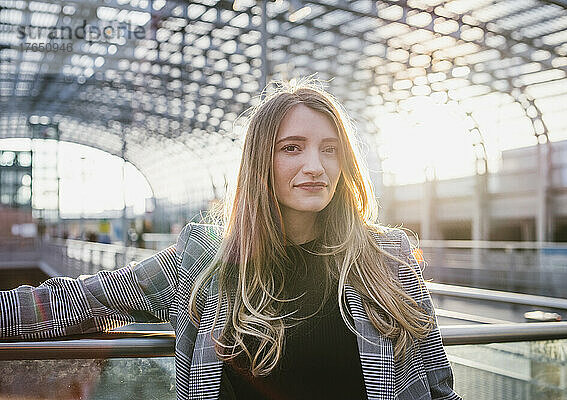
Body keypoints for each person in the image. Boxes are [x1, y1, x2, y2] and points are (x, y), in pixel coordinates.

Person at [0, 78, 461, 400]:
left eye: (330, 149)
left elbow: (438, 386)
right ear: (260, 161)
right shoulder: (205, 261)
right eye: (292, 148)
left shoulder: (387, 260)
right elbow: (80, 301)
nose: (316, 167)